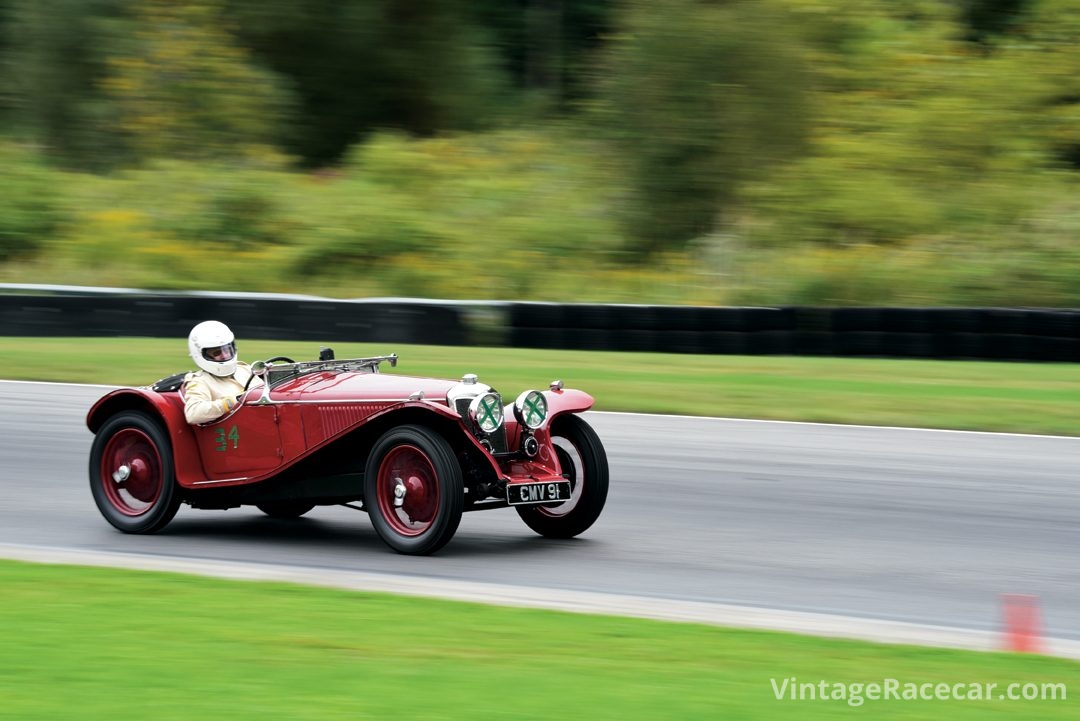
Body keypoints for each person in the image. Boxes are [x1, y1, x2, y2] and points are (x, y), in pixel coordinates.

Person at [181, 320, 258, 425]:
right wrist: (229, 403)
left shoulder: (244, 368)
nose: (225, 355)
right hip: (239, 430)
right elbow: (193, 414)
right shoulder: (199, 381)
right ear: (201, 354)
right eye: (217, 352)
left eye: (227, 350)